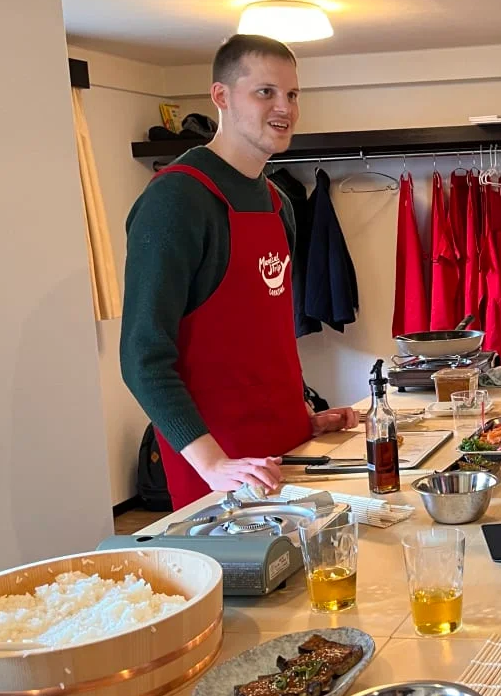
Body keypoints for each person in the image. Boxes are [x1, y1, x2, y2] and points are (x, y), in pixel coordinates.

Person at [121, 34, 356, 508]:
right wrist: (211, 463)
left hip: (289, 451)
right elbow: (142, 357)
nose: (284, 108)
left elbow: (263, 336)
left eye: (292, 94)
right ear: (221, 97)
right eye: (265, 92)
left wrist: (304, 416)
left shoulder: (277, 203)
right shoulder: (177, 200)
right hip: (219, 469)